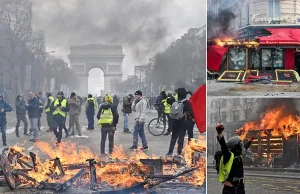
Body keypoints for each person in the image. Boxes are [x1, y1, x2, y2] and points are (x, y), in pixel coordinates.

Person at [215, 124, 254, 194]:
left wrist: (250, 140)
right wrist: (219, 133)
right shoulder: (228, 155)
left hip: (239, 187)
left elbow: (245, 148)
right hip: (231, 189)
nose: (241, 146)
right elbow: (223, 145)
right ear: (235, 146)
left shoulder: (238, 155)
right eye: (240, 144)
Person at [166, 88, 193, 156]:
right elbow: (190, 112)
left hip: (174, 122)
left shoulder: (174, 101)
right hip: (182, 122)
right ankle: (179, 153)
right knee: (181, 138)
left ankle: (170, 152)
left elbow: (168, 100)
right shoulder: (186, 102)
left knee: (173, 137)